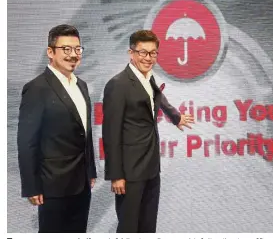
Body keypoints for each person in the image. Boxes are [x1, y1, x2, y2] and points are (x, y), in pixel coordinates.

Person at [102, 30, 194, 233]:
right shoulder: (118, 85)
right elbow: (110, 133)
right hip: (130, 172)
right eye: (143, 52)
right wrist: (116, 175)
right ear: (131, 53)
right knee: (128, 227)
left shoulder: (148, 78)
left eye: (153, 53)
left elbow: (157, 96)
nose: (148, 58)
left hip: (152, 167)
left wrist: (175, 117)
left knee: (148, 226)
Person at [17, 24, 97, 233]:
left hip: (81, 183)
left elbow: (85, 133)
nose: (73, 55)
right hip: (52, 184)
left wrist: (91, 169)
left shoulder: (82, 85)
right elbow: (27, 142)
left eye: (77, 49)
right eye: (66, 49)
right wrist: (31, 186)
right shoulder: (37, 88)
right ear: (50, 52)